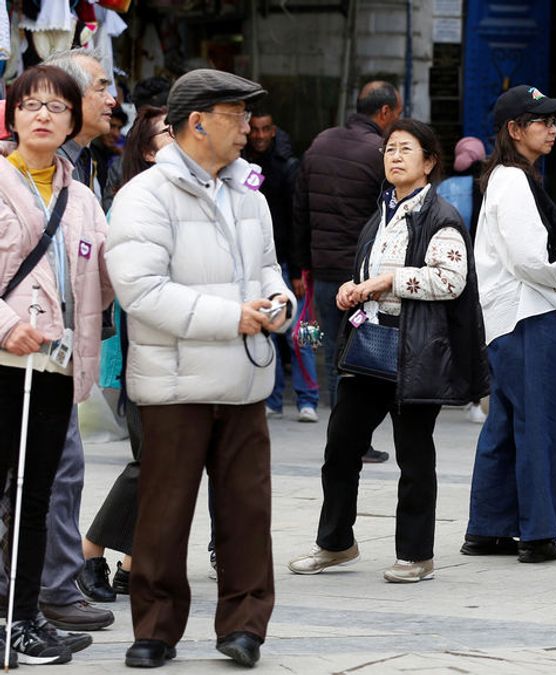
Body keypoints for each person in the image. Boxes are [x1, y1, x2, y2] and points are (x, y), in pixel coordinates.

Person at [106, 69, 295, 669]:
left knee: (247, 511)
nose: (247, 128)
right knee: (164, 514)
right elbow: (139, 290)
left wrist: (281, 304)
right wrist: (229, 317)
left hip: (242, 379)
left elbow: (268, 270)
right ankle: (156, 629)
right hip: (175, 382)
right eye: (236, 117)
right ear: (197, 122)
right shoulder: (143, 196)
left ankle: (245, 627)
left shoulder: (251, 195)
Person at [287, 119, 488, 582]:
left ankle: (416, 555)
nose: (395, 157)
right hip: (371, 345)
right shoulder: (381, 213)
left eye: (406, 149)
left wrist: (387, 281)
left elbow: (450, 281)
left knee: (414, 454)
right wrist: (354, 289)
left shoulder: (441, 217)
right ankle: (335, 542)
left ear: (430, 162)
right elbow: (370, 272)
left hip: (415, 351)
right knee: (341, 445)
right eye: (389, 149)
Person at [0, 64, 113, 664]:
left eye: (56, 107)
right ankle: (8, 621)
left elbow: (108, 278)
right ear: (12, 114)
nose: (42, 115)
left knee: (36, 495)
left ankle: (24, 617)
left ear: (72, 120)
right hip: (4, 360)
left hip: (53, 366)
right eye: (30, 104)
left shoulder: (82, 196)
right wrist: (6, 324)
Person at [461, 84, 556, 564]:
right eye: (541, 121)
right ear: (514, 130)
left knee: (508, 423)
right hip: (529, 312)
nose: (551, 128)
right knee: (545, 424)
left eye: (554, 121)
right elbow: (530, 256)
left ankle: (489, 527)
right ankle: (538, 532)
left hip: (509, 316)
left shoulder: (509, 178)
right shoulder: (512, 180)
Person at [75, 105, 172, 604]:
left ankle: (132, 565)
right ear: (150, 151)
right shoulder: (132, 203)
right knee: (152, 461)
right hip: (146, 353)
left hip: (187, 356)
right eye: (168, 134)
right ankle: (90, 551)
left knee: (167, 464)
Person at [294, 81, 401, 441]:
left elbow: (301, 211)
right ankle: (353, 440)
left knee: (333, 356)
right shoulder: (379, 151)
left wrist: (302, 266)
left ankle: (341, 436)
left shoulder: (320, 143)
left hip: (323, 271)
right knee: (362, 357)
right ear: (384, 112)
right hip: (360, 275)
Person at [244, 109, 318, 423]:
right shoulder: (242, 167)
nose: (260, 136)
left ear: (274, 131)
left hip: (288, 262)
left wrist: (302, 267)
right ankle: (272, 398)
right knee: (268, 331)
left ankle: (309, 398)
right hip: (258, 260)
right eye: (255, 130)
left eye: (265, 129)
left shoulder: (289, 167)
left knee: (302, 332)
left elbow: (300, 219)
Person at [436, 136, 488, 424]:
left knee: (445, 329)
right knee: (474, 333)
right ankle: (472, 398)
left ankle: (444, 387)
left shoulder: (442, 188)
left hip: (444, 268)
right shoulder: (483, 187)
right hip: (475, 271)